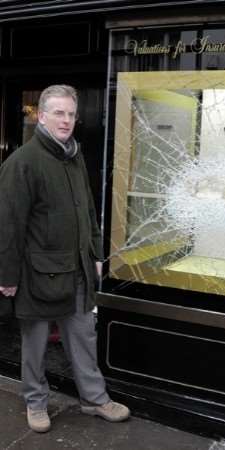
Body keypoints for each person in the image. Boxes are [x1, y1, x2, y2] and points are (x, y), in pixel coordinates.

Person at [0, 85, 130, 432]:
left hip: (78, 271)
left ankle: (95, 399)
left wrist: (97, 254)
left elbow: (88, 210)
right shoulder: (22, 162)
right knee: (35, 344)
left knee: (84, 336)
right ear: (41, 116)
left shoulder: (74, 155)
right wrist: (7, 277)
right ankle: (35, 403)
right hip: (36, 274)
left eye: (71, 113)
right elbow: (9, 225)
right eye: (58, 112)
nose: (66, 120)